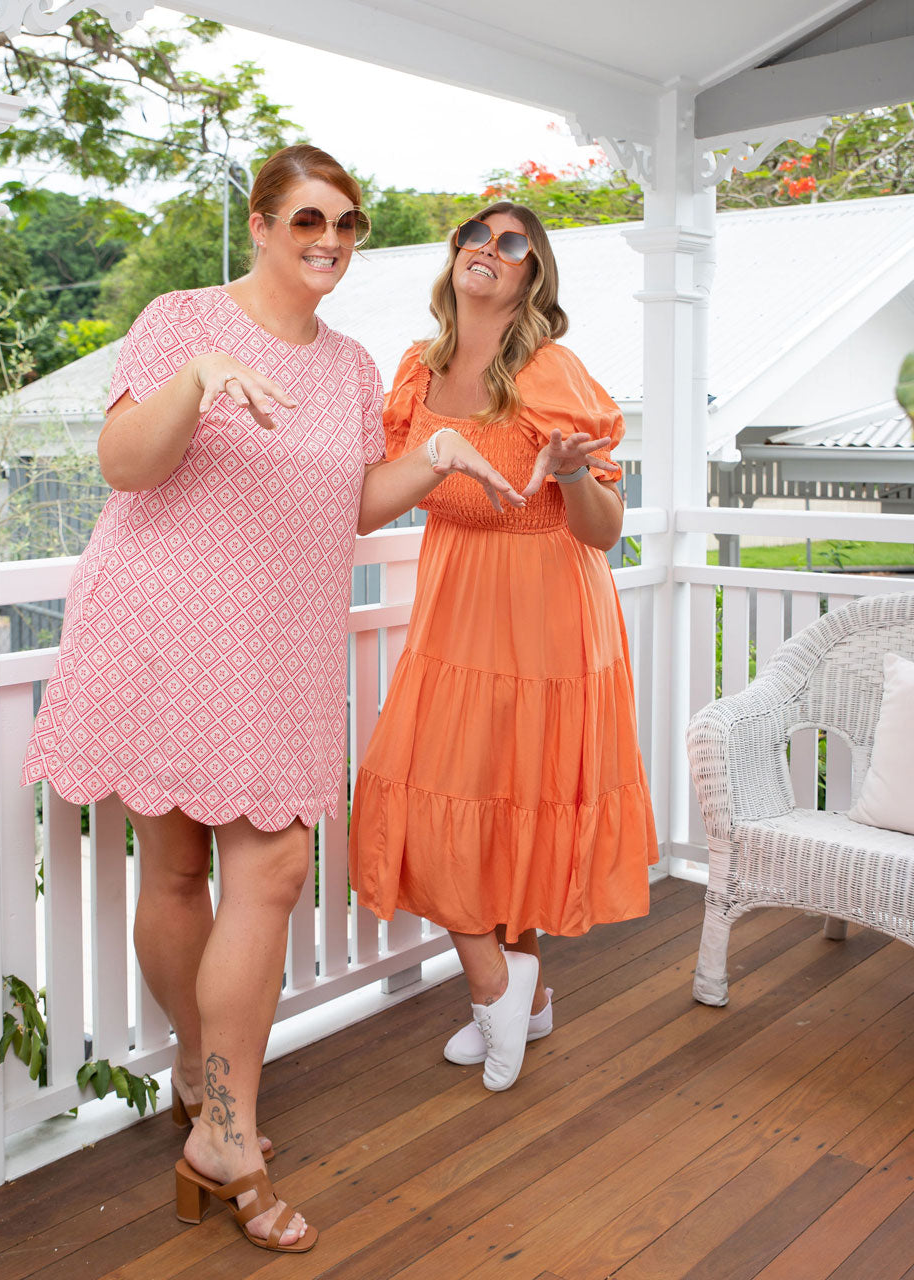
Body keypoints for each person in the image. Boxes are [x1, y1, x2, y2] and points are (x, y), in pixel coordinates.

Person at [21, 146, 527, 1254]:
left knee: (278, 867)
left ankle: (214, 1115)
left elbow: (344, 506)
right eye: (309, 219)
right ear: (258, 223)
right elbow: (123, 462)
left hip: (279, 644)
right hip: (161, 623)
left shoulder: (348, 366)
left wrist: (436, 454)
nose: (331, 240)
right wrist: (196, 377)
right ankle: (224, 1120)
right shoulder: (179, 318)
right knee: (180, 869)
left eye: (347, 223)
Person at [348, 202, 659, 1094]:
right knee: (434, 786)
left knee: (515, 789)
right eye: (474, 237)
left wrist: (568, 473)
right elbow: (373, 494)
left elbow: (602, 530)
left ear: (532, 273)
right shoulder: (417, 368)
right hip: (454, 607)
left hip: (547, 605)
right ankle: (508, 988)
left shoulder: (552, 368)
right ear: (454, 259)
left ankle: (504, 990)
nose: (488, 250)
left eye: (511, 242)